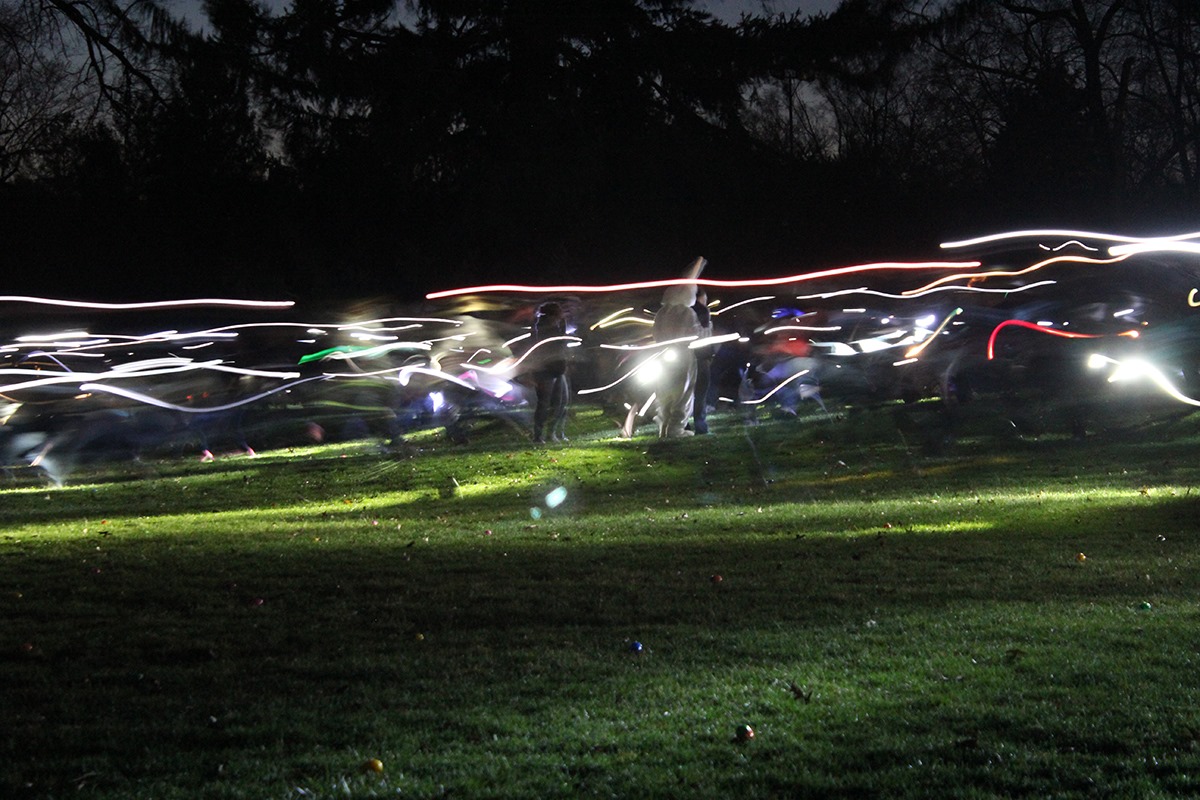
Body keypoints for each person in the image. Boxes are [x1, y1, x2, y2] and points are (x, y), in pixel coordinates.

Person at [652, 258, 705, 438]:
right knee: (683, 393)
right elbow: (695, 333)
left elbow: (655, 333)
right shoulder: (687, 312)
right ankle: (675, 429)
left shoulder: (662, 312)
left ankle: (664, 426)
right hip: (682, 356)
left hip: (663, 355)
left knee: (664, 391)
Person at [529, 301, 570, 443]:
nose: (562, 315)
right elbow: (558, 344)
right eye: (560, 313)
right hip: (546, 370)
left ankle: (551, 434)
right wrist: (563, 329)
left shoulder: (551, 326)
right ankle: (539, 436)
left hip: (557, 369)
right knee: (545, 403)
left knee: (561, 401)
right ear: (554, 314)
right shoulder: (544, 328)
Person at [691, 289, 714, 434]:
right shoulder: (702, 312)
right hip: (701, 356)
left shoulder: (683, 312)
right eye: (704, 300)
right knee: (700, 394)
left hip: (687, 357)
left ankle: (683, 425)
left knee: (686, 394)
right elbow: (706, 334)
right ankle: (700, 426)